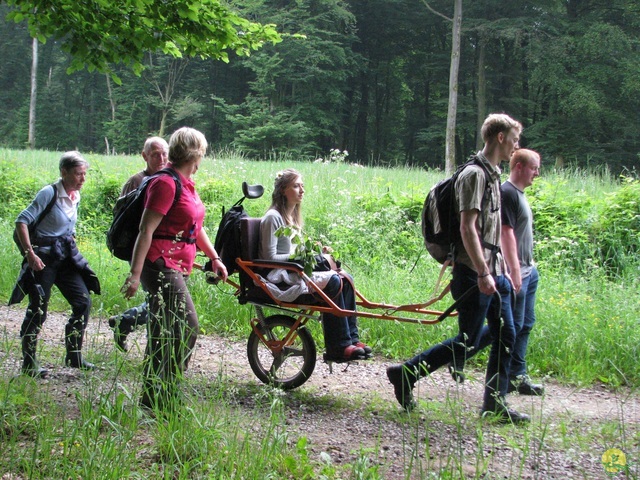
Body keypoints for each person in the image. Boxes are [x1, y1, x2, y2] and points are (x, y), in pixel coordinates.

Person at [387, 113, 530, 424]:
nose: (517, 147)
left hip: (493, 271)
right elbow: (468, 228)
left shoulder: (492, 175)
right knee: (467, 341)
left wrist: (498, 269)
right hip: (473, 273)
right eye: (514, 140)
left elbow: (491, 229)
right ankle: (406, 373)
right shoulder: (474, 176)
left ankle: (495, 403)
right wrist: (482, 272)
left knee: (507, 332)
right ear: (500, 138)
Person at [121, 127, 227, 410]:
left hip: (177, 265)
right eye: (202, 151)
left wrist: (214, 258)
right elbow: (146, 230)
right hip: (159, 264)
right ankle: (166, 395)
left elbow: (196, 227)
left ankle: (152, 399)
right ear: (196, 152)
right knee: (187, 326)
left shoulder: (186, 183)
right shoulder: (165, 184)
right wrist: (134, 274)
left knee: (163, 331)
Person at [259, 168, 371, 361]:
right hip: (279, 275)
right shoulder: (273, 217)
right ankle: (339, 346)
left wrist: (316, 252)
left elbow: (295, 251)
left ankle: (351, 339)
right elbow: (269, 258)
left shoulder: (292, 217)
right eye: (296, 186)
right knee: (335, 282)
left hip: (295, 270)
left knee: (346, 278)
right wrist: (300, 255)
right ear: (283, 190)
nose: (302, 190)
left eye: (302, 186)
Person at [12, 151, 100, 377]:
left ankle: (74, 355)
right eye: (78, 174)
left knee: (83, 302)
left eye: (84, 174)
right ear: (64, 172)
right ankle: (29, 363)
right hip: (43, 259)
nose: (83, 179)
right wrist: (30, 253)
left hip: (65, 258)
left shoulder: (74, 196)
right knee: (38, 308)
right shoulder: (48, 193)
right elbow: (22, 221)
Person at [109, 136, 169, 352]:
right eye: (155, 154)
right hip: (141, 250)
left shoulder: (169, 179)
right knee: (158, 299)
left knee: (159, 298)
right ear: (145, 156)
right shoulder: (137, 182)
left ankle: (123, 322)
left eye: (164, 153)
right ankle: (130, 326)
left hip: (162, 252)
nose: (161, 158)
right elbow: (122, 219)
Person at [501, 148, 544, 396]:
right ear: (519, 166)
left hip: (529, 270)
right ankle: (505, 377)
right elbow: (505, 233)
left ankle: (518, 376)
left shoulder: (520, 194)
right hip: (517, 273)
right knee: (512, 327)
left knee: (525, 324)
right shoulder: (507, 193)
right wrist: (515, 271)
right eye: (534, 168)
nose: (536, 173)